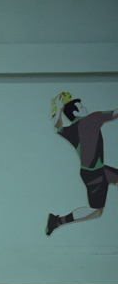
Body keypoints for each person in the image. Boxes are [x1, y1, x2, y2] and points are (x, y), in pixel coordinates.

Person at [45, 93, 118, 236]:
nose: (86, 108)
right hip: (96, 174)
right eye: (82, 107)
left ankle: (57, 221)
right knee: (96, 211)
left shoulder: (71, 130)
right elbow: (115, 113)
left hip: (93, 172)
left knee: (96, 211)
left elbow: (57, 127)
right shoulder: (93, 118)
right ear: (75, 113)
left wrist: (59, 108)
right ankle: (57, 221)